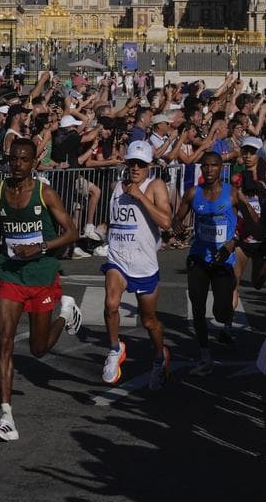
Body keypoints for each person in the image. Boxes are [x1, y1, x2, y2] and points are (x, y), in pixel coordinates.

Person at [0, 138, 81, 442]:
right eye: (13, 159)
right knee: (4, 342)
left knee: (38, 349)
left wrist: (41, 246)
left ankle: (66, 312)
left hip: (42, 274)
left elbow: (71, 232)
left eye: (23, 160)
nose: (17, 165)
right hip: (10, 274)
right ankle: (6, 416)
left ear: (34, 162)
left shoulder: (45, 193)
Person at [101, 140, 174, 389]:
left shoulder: (155, 186)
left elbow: (166, 222)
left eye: (141, 164)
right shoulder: (116, 187)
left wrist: (140, 196)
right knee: (111, 304)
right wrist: (102, 229)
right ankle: (114, 349)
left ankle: (159, 356)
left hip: (144, 263)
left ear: (149, 165)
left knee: (148, 321)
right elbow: (115, 220)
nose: (135, 168)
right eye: (132, 162)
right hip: (118, 257)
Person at [172, 151, 253, 370]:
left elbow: (253, 225)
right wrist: (177, 225)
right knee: (197, 306)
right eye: (205, 166)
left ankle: (224, 321)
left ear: (221, 168)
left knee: (221, 311)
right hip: (198, 257)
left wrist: (233, 242)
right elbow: (178, 218)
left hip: (223, 260)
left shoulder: (233, 194)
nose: (209, 170)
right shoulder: (192, 193)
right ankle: (204, 353)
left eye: (213, 166)